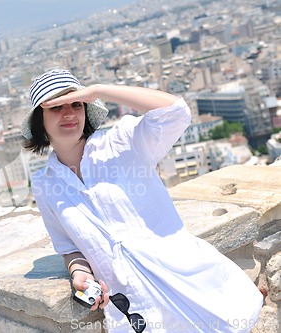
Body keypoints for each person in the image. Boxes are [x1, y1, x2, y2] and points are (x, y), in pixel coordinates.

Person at [21, 69, 263, 332]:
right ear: (39, 121)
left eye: (77, 104)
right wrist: (80, 274)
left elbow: (175, 112)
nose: (69, 113)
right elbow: (69, 246)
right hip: (135, 309)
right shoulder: (46, 184)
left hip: (190, 288)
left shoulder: (122, 142)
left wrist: (98, 90)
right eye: (56, 107)